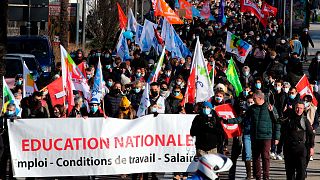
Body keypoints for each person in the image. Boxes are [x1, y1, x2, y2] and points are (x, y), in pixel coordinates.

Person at [227, 90, 280, 180]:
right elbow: (241, 118)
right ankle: (258, 177)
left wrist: (277, 137)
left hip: (266, 136)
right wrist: (228, 121)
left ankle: (266, 177)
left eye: (254, 98)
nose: (253, 100)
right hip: (255, 136)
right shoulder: (252, 108)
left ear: (260, 98)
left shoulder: (270, 107)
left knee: (265, 156)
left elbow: (277, 122)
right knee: (255, 157)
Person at [281, 101, 314, 180]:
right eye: (297, 108)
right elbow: (278, 121)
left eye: (301, 108)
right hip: (289, 148)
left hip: (301, 148)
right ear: (294, 108)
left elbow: (311, 134)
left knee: (301, 172)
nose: (299, 110)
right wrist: (283, 112)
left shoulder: (305, 120)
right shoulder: (288, 117)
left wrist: (311, 147)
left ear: (303, 109)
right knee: (290, 173)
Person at [225, 95, 254, 180]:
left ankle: (250, 174)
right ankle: (231, 174)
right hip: (239, 133)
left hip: (249, 134)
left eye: (252, 102)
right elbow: (237, 118)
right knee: (235, 153)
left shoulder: (255, 109)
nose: (250, 104)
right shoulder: (240, 107)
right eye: (248, 102)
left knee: (248, 153)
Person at [0, 103, 18, 179]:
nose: (9, 111)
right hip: (3, 141)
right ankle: (2, 175)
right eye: (8, 109)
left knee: (12, 159)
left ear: (14, 110)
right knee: (3, 159)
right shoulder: (2, 118)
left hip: (13, 141)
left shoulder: (18, 119)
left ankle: (12, 176)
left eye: (11, 110)